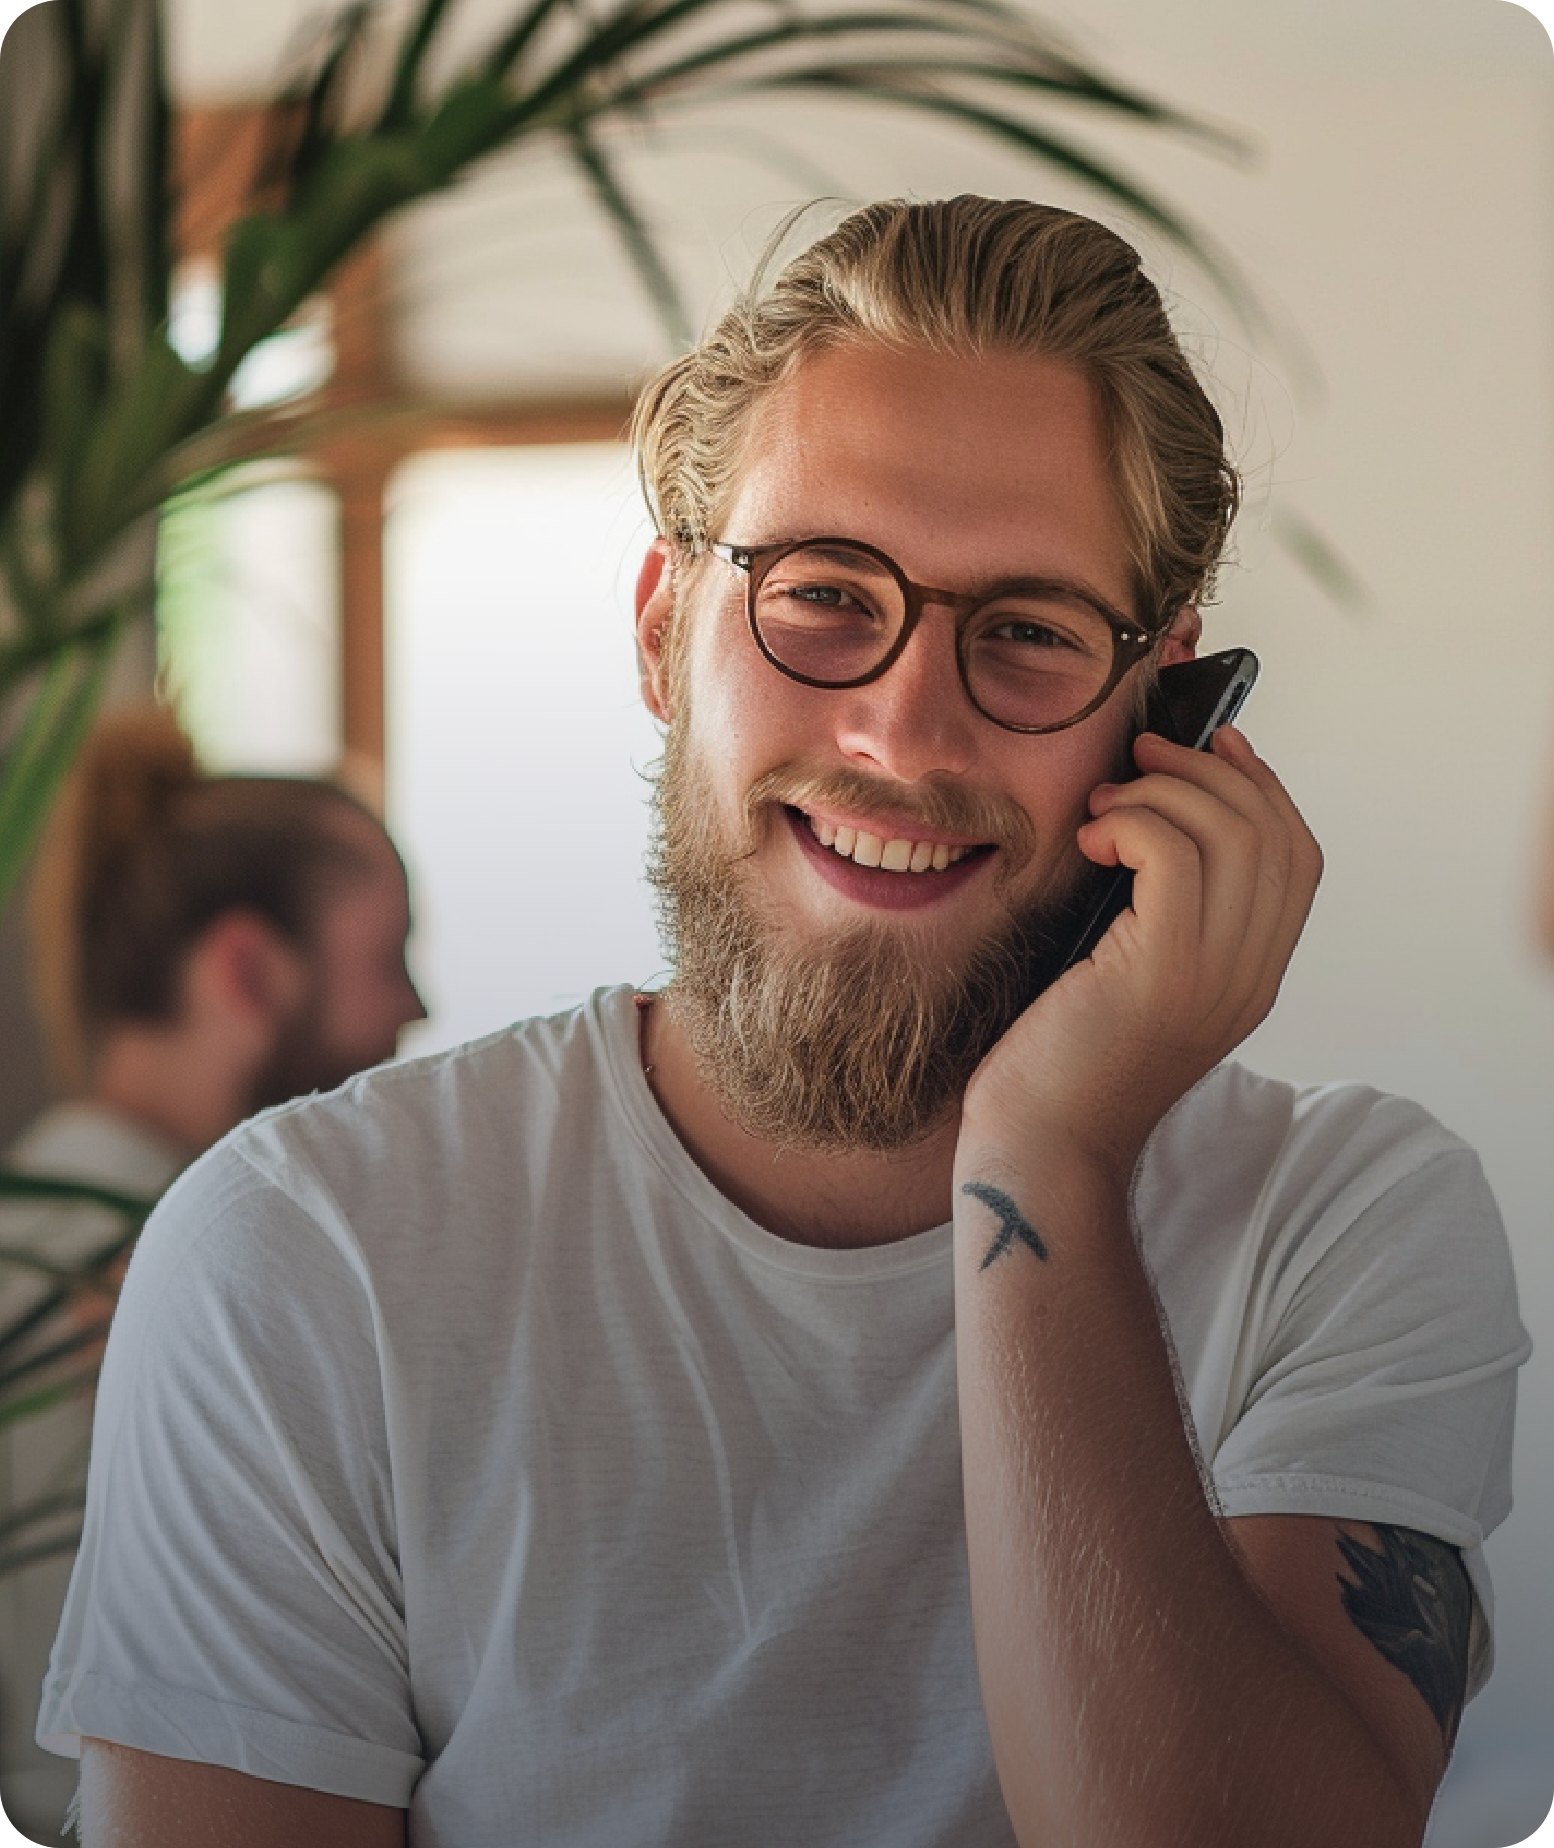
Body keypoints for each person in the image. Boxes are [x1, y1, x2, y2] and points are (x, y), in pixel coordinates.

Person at [38, 199, 1528, 1848]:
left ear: (1160, 704)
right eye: (821, 592)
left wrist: (1043, 1152)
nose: (899, 729)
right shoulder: (299, 1246)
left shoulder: (1346, 1223)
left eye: (1026, 633)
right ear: (664, 628)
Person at [0, 705, 424, 1841]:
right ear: (247, 969)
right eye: (386, 958)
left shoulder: (37, 1240)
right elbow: (67, 1776)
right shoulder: (114, 1290)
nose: (414, 1010)